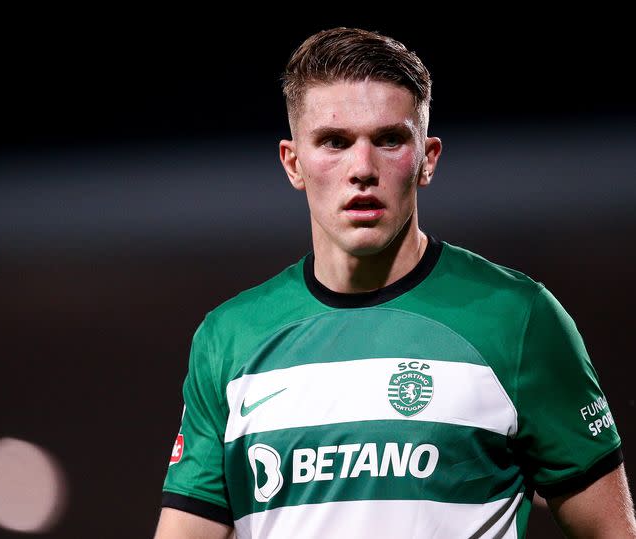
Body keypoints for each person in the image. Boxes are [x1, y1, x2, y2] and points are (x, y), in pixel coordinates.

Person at [154, 27, 636, 538]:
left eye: (388, 140)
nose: (362, 168)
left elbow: (612, 531)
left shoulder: (518, 318)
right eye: (334, 142)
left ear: (426, 159)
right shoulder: (229, 338)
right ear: (293, 163)